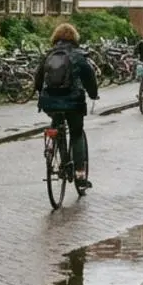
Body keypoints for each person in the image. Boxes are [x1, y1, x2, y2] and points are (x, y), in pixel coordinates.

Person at [35, 23, 100, 189]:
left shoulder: (49, 54)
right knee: (77, 133)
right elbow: (89, 77)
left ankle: (59, 156)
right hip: (73, 102)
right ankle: (79, 175)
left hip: (50, 101)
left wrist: (39, 93)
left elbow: (38, 77)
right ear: (74, 38)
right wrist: (93, 94)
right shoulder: (78, 55)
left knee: (57, 123)